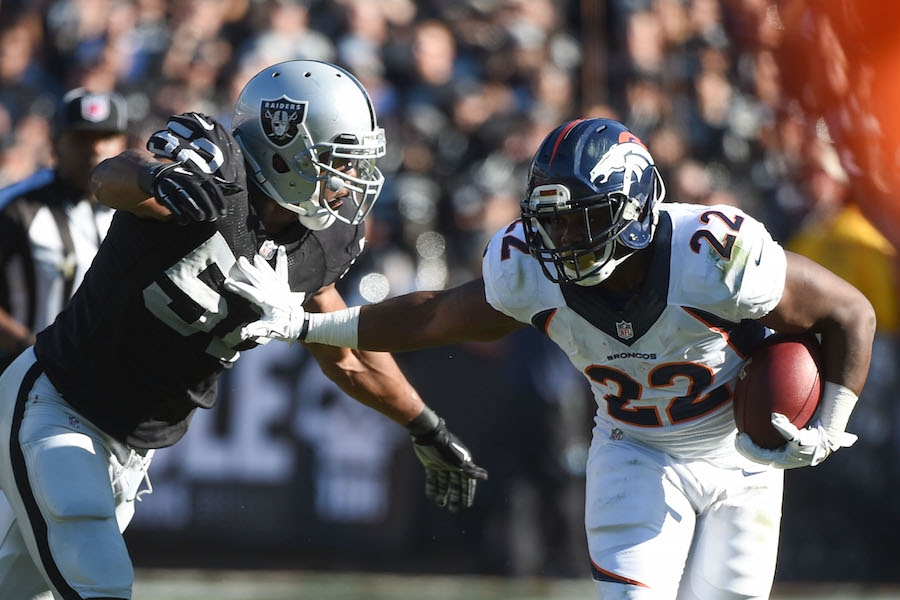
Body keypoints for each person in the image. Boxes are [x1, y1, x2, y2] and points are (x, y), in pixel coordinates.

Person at [227, 118, 876, 599]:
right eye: (550, 223)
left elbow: (849, 313)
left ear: (634, 209)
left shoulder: (714, 256)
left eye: (579, 221)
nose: (559, 241)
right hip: (636, 450)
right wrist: (305, 323)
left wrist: (831, 418)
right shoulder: (530, 272)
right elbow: (436, 314)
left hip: (741, 458)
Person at [0, 60, 486, 600]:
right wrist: (154, 175)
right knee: (100, 585)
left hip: (134, 447)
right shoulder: (213, 175)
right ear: (286, 148)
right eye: (338, 159)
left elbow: (344, 349)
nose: (350, 182)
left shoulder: (320, 243)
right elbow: (110, 177)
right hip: (59, 403)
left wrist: (425, 426)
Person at [0, 89, 128, 373]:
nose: (95, 149)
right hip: (21, 379)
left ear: (122, 143)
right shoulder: (18, 207)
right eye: (82, 138)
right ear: (55, 143)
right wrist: (28, 346)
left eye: (105, 138)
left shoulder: (134, 212)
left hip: (101, 385)